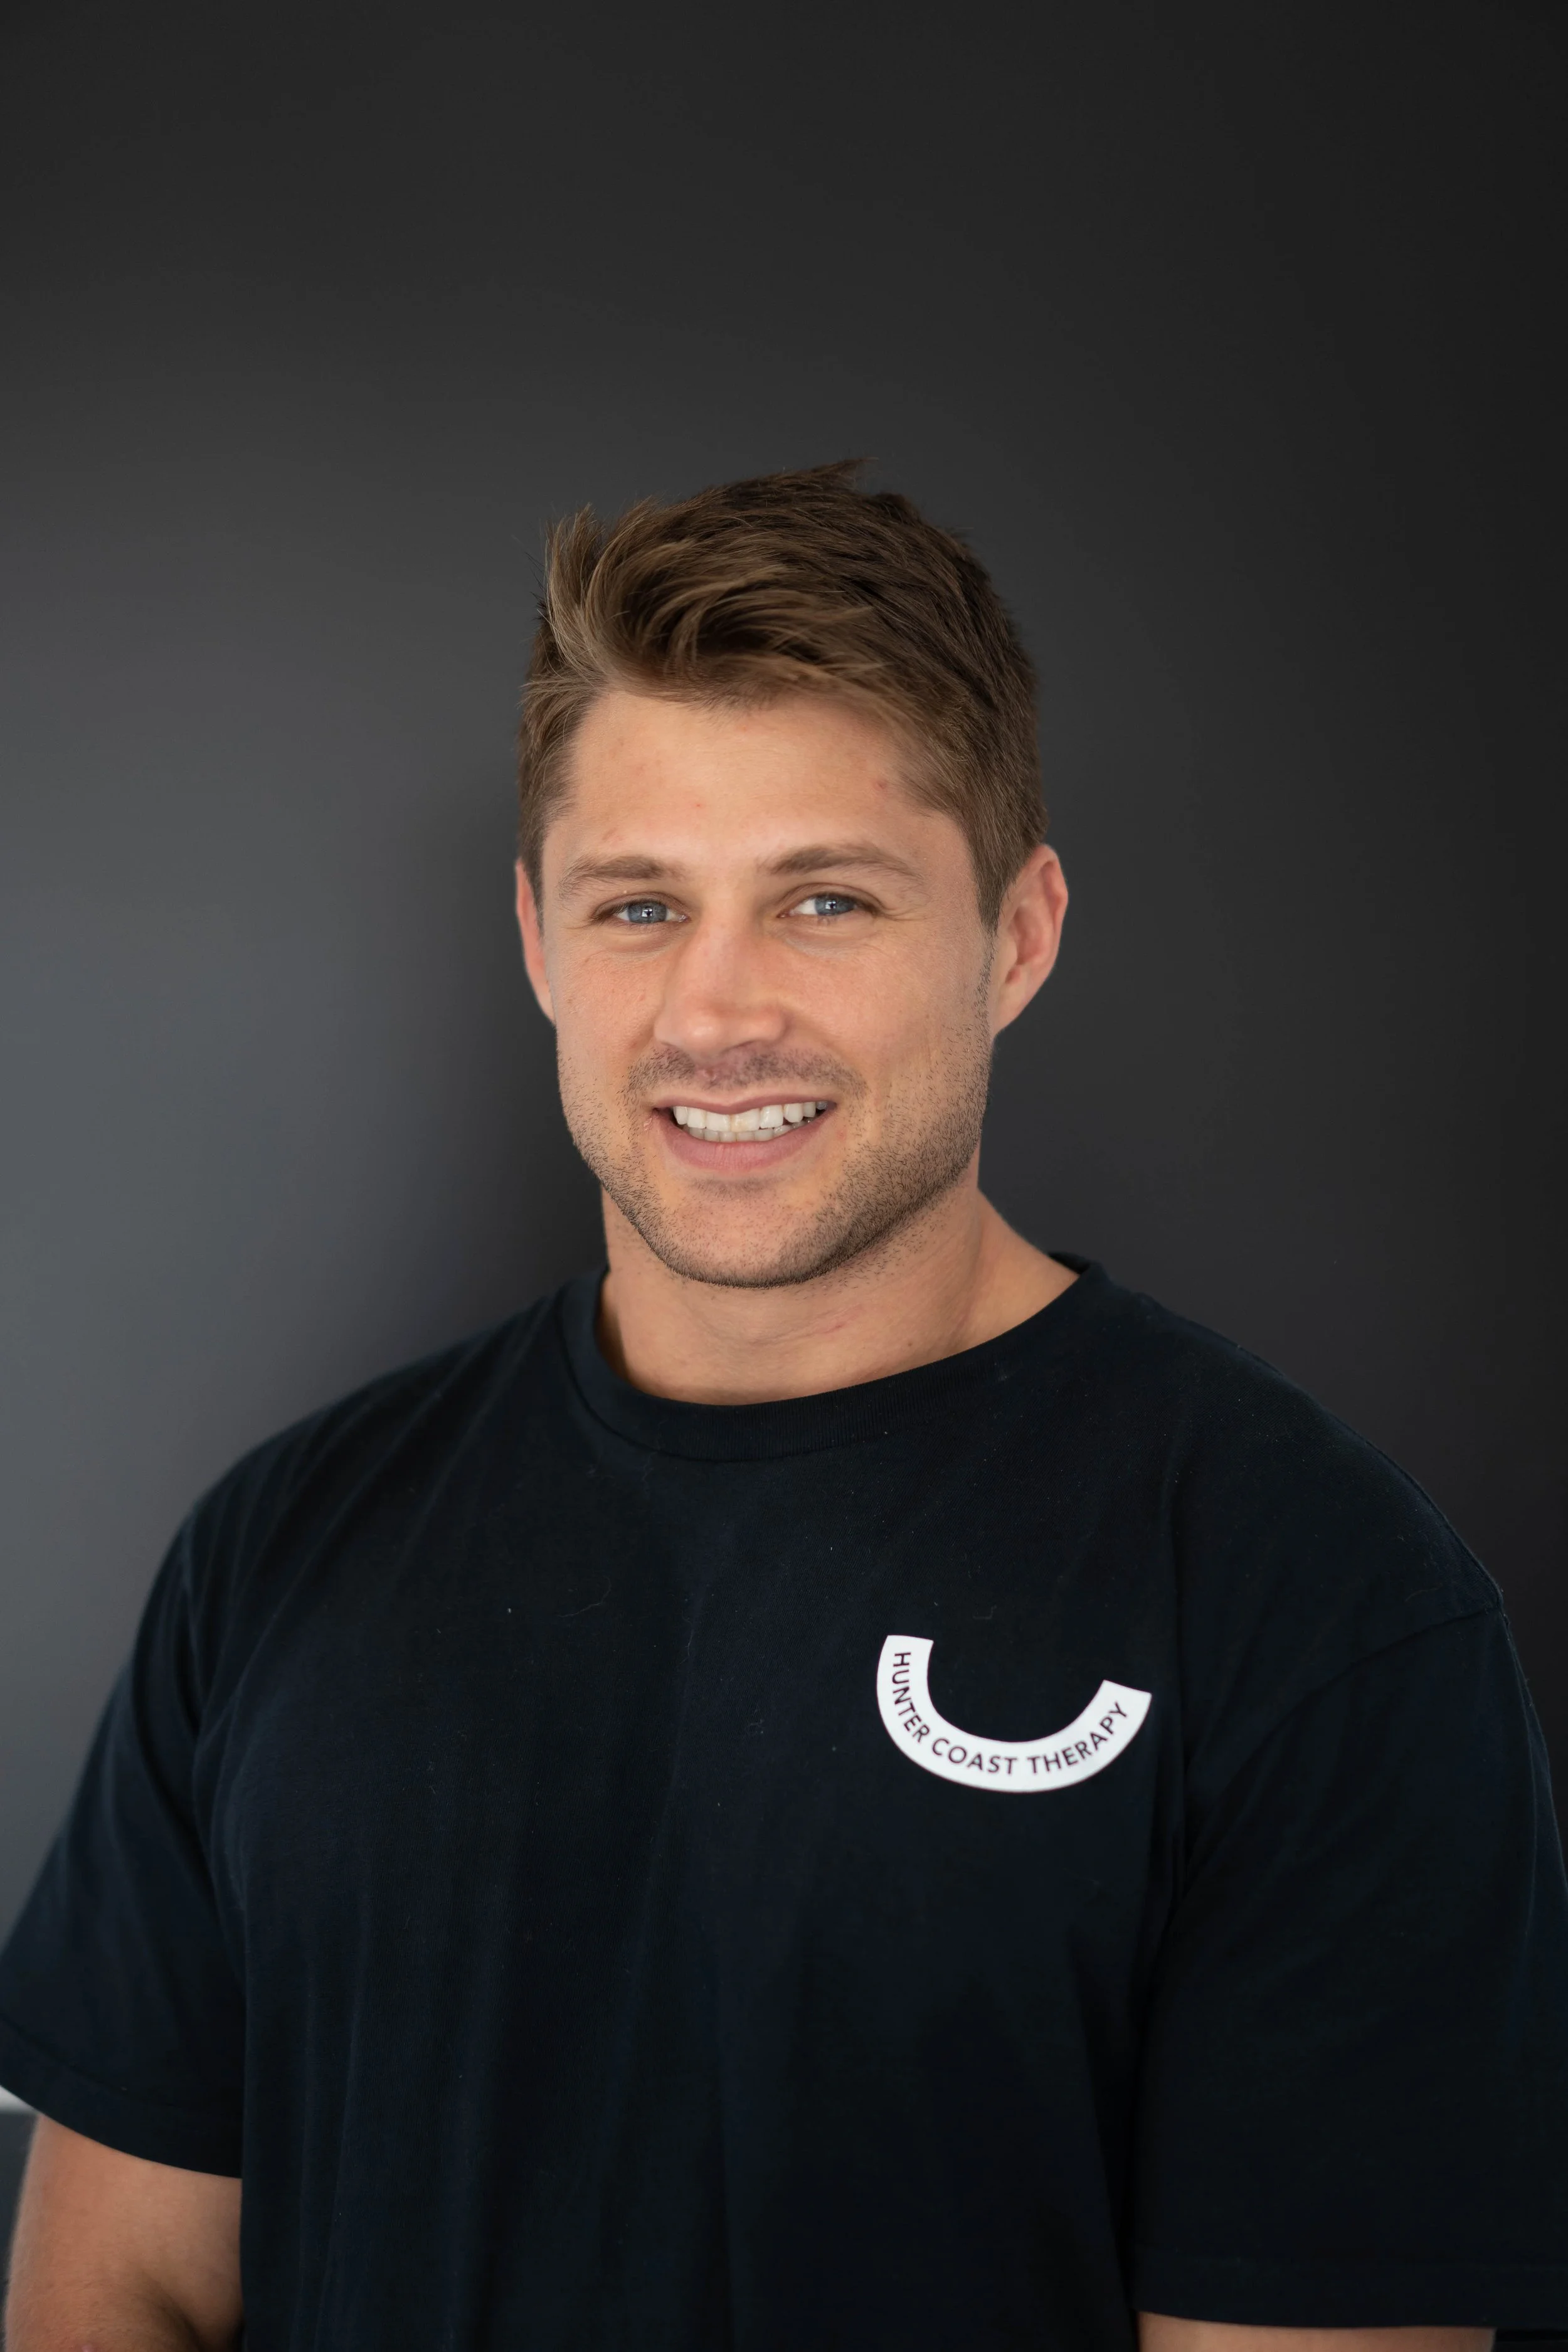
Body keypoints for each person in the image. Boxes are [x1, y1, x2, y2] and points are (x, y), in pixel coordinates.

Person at [1, 464, 1564, 2352]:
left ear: (1020, 932)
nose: (716, 1008)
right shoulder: (277, 1553)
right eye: (640, 901)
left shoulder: (1312, 1606)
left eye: (825, 897)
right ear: (536, 942)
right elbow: (130, 2287)